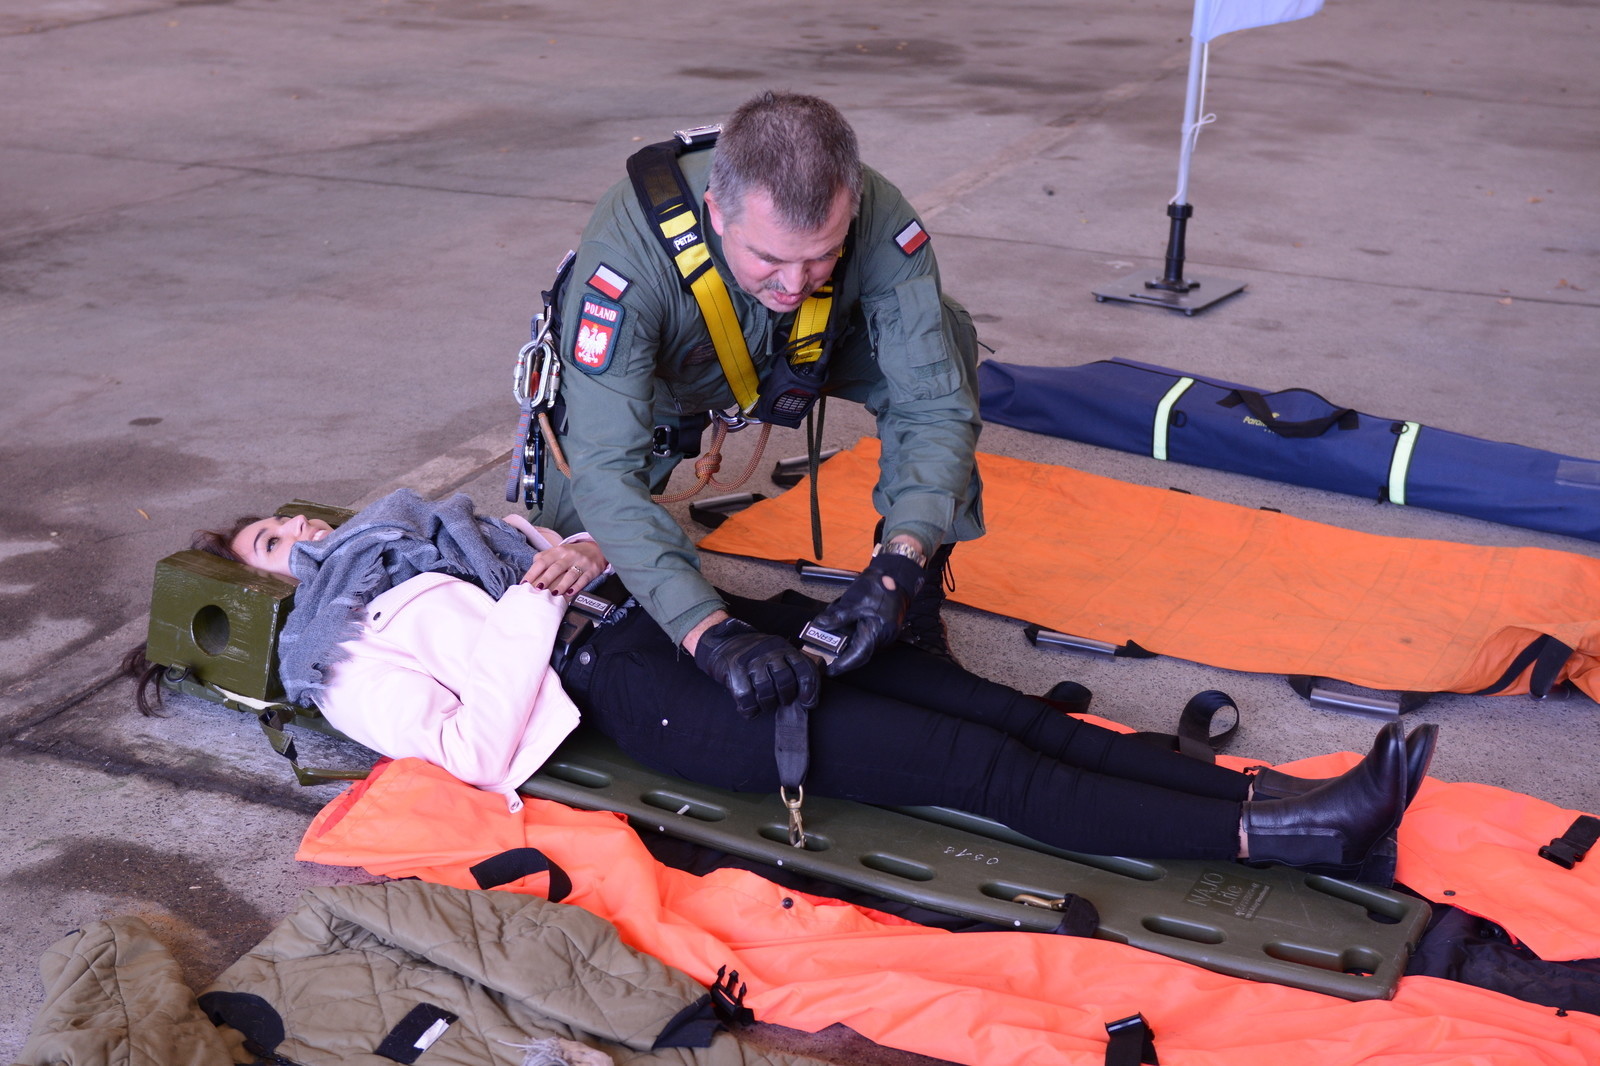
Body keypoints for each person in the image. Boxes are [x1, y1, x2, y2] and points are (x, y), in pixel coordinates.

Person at [133, 490, 1436, 875]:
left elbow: (588, 557)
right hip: (647, 697)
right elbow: (471, 750)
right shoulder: (337, 654)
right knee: (979, 768)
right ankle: (1286, 835)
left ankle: (1271, 793)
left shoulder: (435, 536)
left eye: (289, 517)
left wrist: (577, 551)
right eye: (268, 546)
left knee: (992, 707)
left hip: (679, 625)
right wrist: (537, 604)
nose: (297, 534)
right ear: (267, 591)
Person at [530, 90, 985, 716]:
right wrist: (708, 633)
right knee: (565, 559)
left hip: (811, 349)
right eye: (770, 257)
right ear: (717, 213)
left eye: (822, 256)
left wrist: (903, 560)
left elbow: (931, 407)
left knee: (946, 339)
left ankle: (914, 611)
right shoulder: (629, 259)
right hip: (670, 374)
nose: (795, 284)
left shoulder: (879, 216)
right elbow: (605, 470)